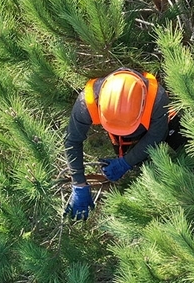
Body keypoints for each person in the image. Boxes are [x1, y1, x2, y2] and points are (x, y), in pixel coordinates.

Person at [64, 68, 182, 220]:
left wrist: (126, 162)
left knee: (177, 138)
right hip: (125, 127)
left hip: (156, 125)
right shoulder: (86, 102)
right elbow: (72, 140)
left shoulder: (157, 99)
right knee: (139, 165)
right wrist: (78, 182)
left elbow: (156, 135)